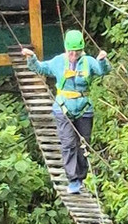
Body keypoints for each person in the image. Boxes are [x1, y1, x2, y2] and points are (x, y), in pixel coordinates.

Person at [22, 30, 110, 194]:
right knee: (68, 144)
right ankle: (73, 180)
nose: (73, 54)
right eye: (71, 51)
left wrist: (102, 60)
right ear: (66, 48)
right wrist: (31, 58)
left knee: (84, 144)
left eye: (76, 51)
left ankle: (81, 177)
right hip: (63, 108)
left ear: (81, 49)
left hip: (84, 108)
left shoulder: (88, 62)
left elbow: (102, 70)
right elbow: (40, 68)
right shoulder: (58, 62)